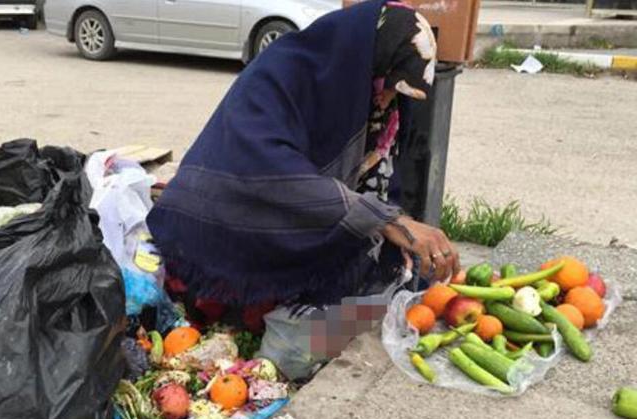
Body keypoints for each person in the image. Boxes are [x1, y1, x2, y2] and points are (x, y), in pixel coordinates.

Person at [147, 0, 460, 378]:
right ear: (366, 60)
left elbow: (374, 184)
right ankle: (242, 311)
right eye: (387, 86)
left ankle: (282, 319)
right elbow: (265, 170)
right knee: (360, 233)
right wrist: (386, 221)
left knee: (381, 262)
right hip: (230, 208)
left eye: (395, 92)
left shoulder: (375, 100)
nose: (386, 99)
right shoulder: (284, 69)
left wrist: (398, 228)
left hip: (293, 208)